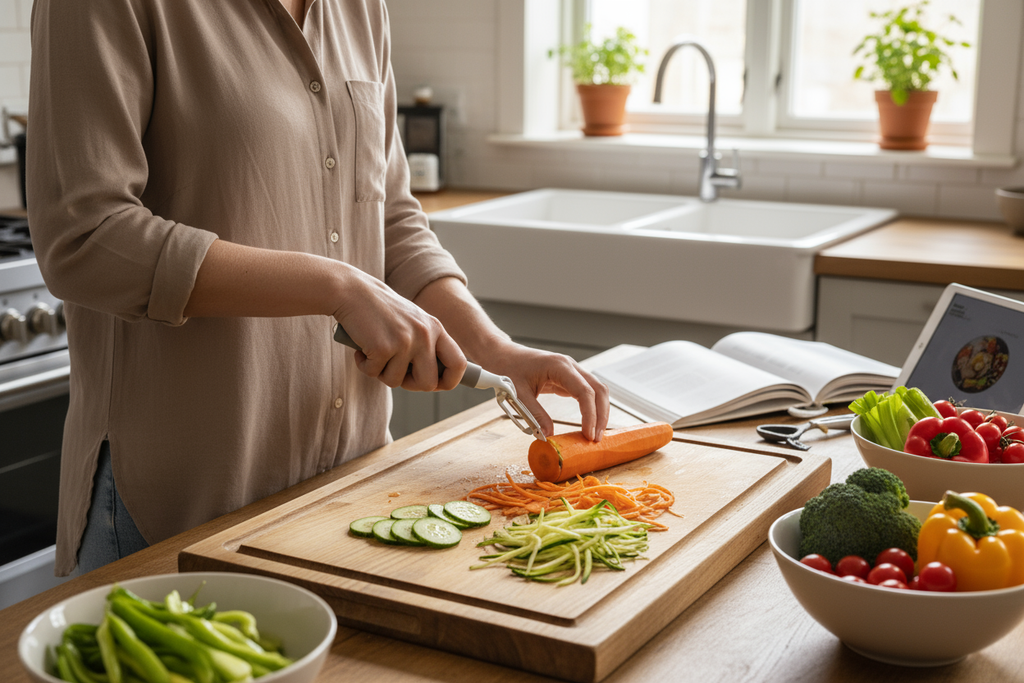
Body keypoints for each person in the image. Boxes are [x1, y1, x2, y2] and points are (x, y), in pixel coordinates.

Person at [27, 0, 610, 577]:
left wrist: (499, 351)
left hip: (352, 482)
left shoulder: (360, 8)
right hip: (182, 499)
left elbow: (391, 220)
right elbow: (85, 236)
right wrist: (336, 284)